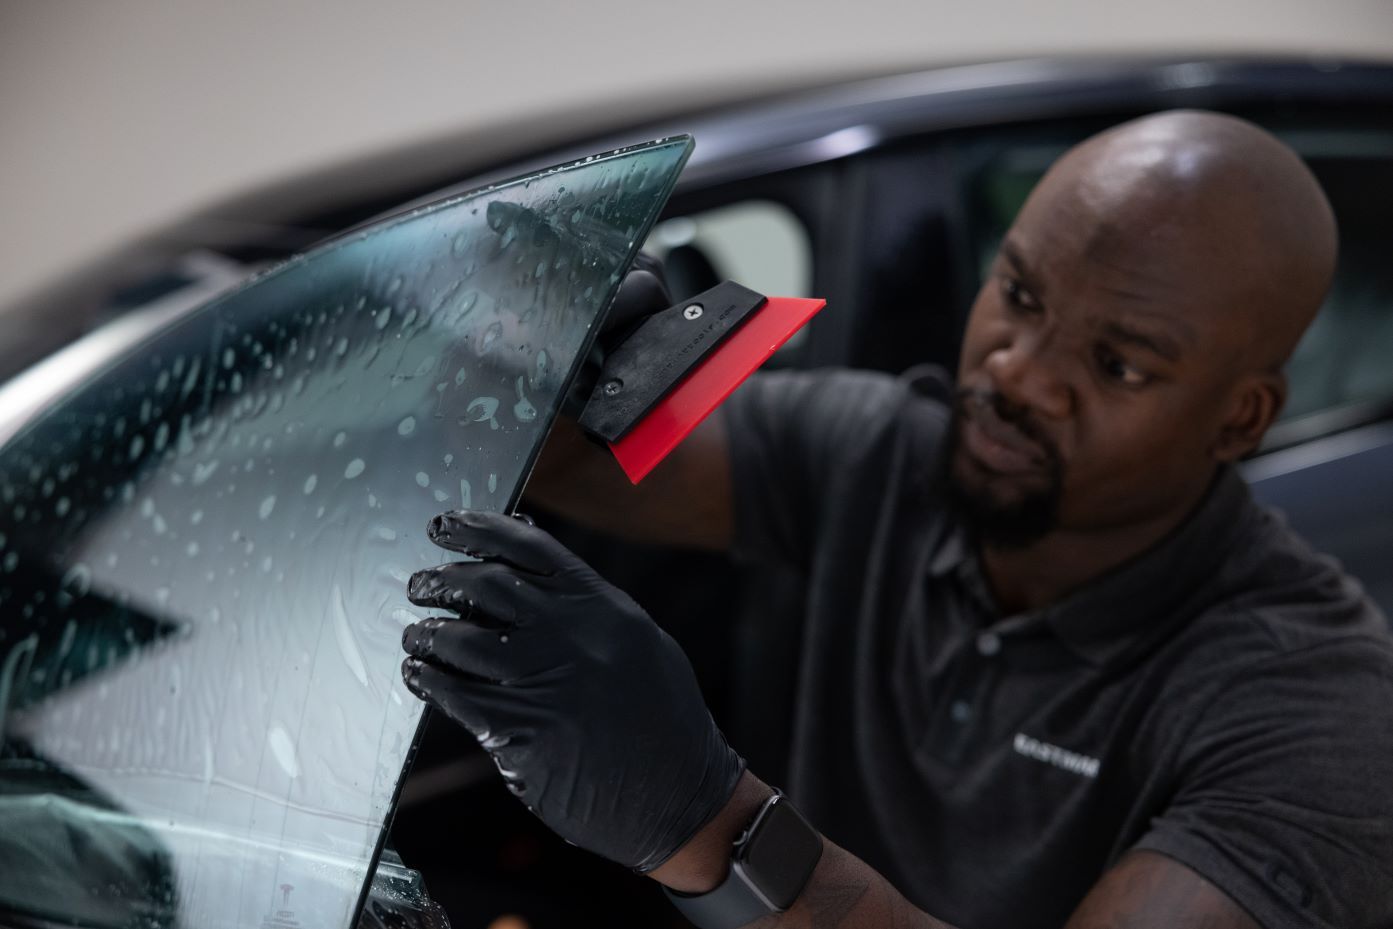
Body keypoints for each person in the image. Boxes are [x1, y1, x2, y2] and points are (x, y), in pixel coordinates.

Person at [398, 110, 1393, 928]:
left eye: (1116, 363)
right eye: (1018, 293)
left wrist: (712, 821)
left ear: (1241, 417)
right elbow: (590, 468)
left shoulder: (1314, 712)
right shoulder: (885, 457)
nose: (1017, 372)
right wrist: (534, 368)